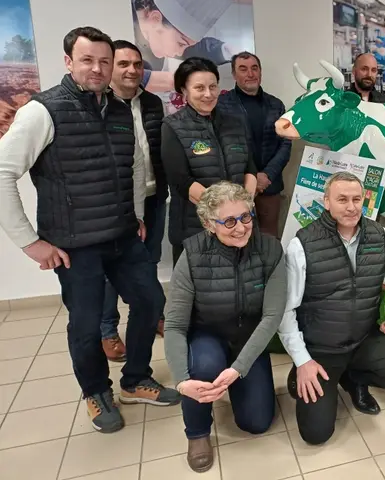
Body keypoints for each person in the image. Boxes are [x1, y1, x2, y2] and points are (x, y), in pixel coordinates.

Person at [0, 27, 179, 433]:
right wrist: (30, 243)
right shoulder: (42, 110)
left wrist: (135, 215)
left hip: (122, 234)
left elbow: (132, 167)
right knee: (85, 324)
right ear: (68, 62)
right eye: (87, 60)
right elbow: (3, 171)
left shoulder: (119, 109)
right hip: (74, 245)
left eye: (104, 61)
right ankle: (96, 392)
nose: (97, 68)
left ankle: (135, 379)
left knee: (150, 303)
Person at [279, 171, 385, 445]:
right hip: (321, 349)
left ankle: (352, 378)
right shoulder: (302, 244)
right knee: (316, 434)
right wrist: (303, 361)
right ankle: (303, 374)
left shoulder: (379, 235)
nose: (352, 206)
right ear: (326, 202)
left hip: (363, 338)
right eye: (342, 199)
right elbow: (287, 310)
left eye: (357, 199)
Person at [164, 181, 286, 472]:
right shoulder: (192, 255)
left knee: (256, 423)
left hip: (249, 339)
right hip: (208, 334)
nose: (241, 227)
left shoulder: (270, 250)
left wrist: (239, 367)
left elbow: (272, 317)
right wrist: (181, 380)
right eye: (229, 221)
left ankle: (233, 380)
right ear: (209, 223)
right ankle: (197, 433)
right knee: (203, 367)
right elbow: (175, 325)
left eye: (245, 217)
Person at [100, 40, 168, 362]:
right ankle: (108, 330)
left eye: (137, 64)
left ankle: (152, 313)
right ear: (110, 67)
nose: (132, 70)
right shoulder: (99, 104)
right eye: (123, 64)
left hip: (154, 197)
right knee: (112, 270)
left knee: (148, 260)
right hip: (117, 204)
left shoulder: (154, 103)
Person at [161, 57, 258, 267]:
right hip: (195, 227)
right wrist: (222, 217)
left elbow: (250, 168)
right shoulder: (172, 126)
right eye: (199, 87)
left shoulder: (235, 123)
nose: (208, 94)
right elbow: (181, 180)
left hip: (238, 226)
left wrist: (243, 212)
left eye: (213, 86)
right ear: (184, 91)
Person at [217, 52, 291, 238]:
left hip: (269, 184)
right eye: (243, 69)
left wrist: (267, 175)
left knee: (269, 238)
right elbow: (221, 146)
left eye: (254, 68)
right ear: (234, 75)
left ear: (260, 72)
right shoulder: (221, 105)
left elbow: (286, 143)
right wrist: (249, 177)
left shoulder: (276, 105)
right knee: (238, 236)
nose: (250, 74)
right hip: (236, 185)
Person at [130, 0, 237, 94]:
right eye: (180, 44)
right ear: (155, 19)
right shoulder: (122, 18)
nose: (180, 53)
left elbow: (195, 48)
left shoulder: (155, 34)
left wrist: (223, 49)